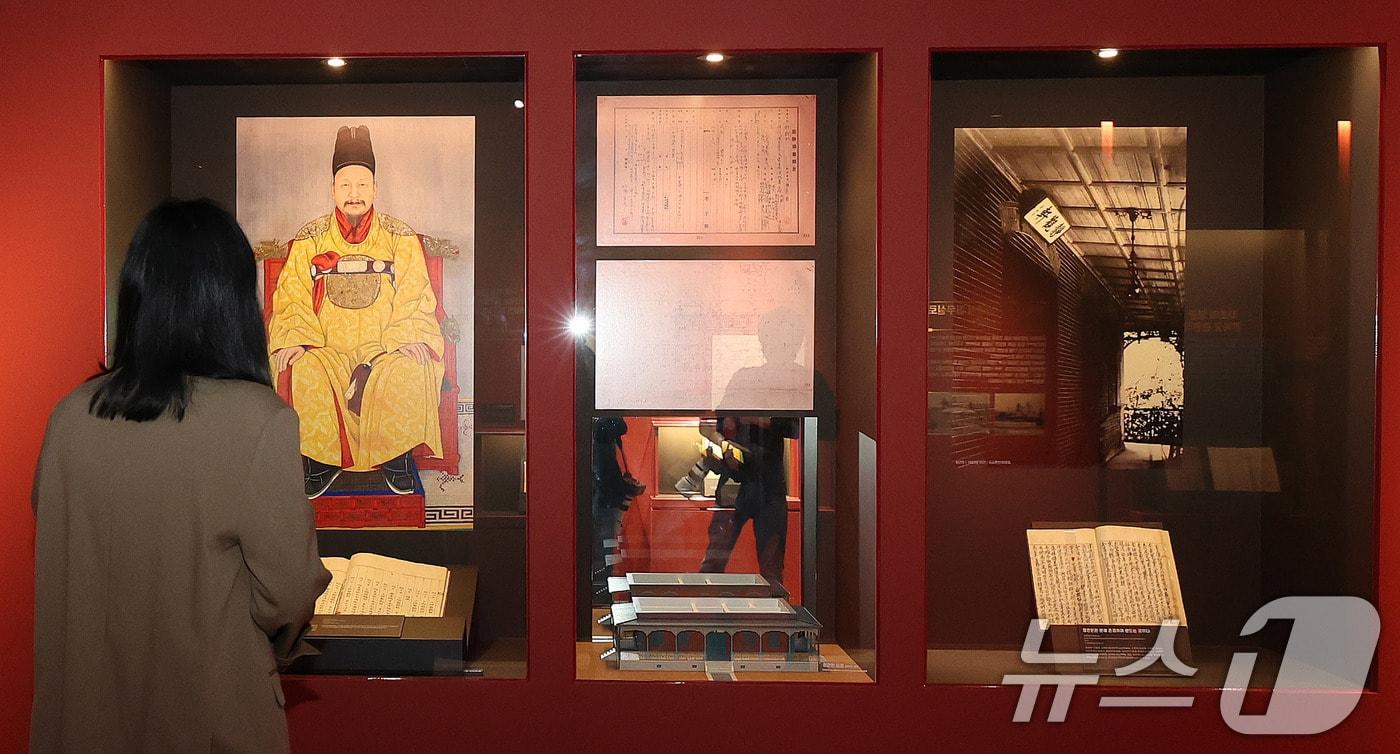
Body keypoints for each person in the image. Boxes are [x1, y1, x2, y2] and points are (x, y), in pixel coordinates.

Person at [30, 200, 331, 753]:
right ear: (233, 301)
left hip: (83, 722)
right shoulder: (257, 421)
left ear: (138, 293)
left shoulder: (70, 416)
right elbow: (288, 594)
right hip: (208, 719)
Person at [267, 125, 446, 498]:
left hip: (385, 347)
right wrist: (298, 338)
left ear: (375, 189)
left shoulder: (399, 236)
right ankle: (322, 460)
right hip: (326, 348)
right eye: (345, 185)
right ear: (332, 189)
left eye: (362, 184)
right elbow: (292, 293)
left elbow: (415, 292)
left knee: (411, 366)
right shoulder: (311, 237)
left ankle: (395, 457)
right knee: (305, 369)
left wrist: (407, 336)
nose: (354, 193)